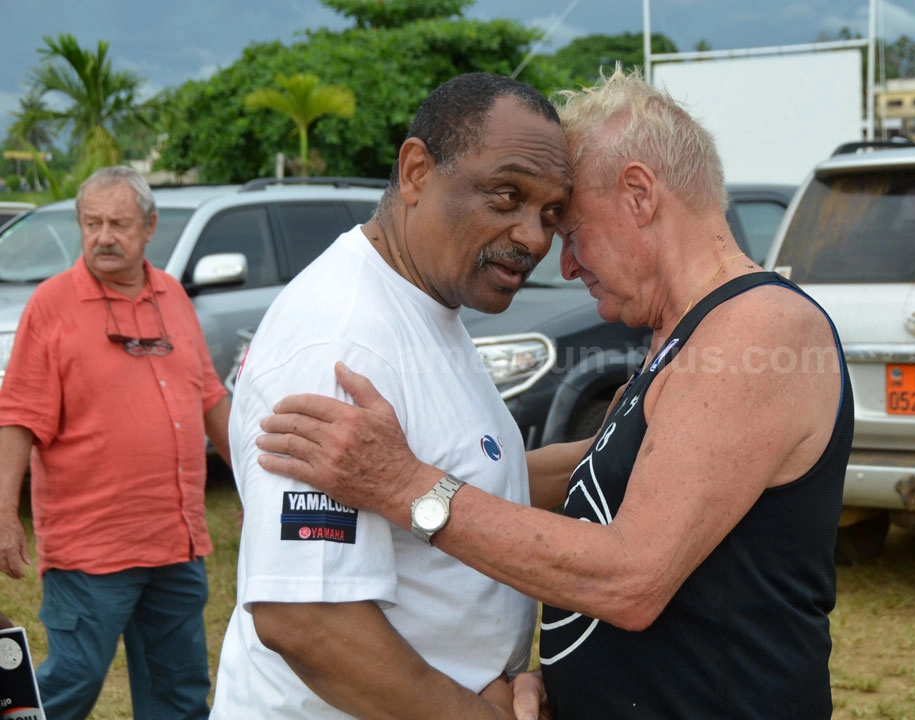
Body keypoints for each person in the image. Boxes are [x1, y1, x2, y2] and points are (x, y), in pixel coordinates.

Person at [257, 66, 854, 720]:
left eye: (568, 229)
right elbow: (604, 503)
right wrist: (561, 677)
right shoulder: (686, 339)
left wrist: (408, 487)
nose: (558, 259)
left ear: (638, 194)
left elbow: (632, 579)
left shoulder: (754, 329)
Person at [209, 73, 571, 719]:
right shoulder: (343, 344)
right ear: (416, 171)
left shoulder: (428, 304)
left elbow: (477, 483)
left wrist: (621, 445)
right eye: (506, 195)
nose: (535, 237)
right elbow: (307, 619)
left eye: (550, 213)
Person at [0, 166, 231, 720]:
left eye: (119, 223)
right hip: (91, 549)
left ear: (149, 227)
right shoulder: (51, 306)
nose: (104, 236)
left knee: (179, 691)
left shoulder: (172, 295)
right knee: (72, 682)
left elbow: (210, 398)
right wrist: (5, 512)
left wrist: (253, 481)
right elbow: (18, 418)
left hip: (175, 543)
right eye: (92, 222)